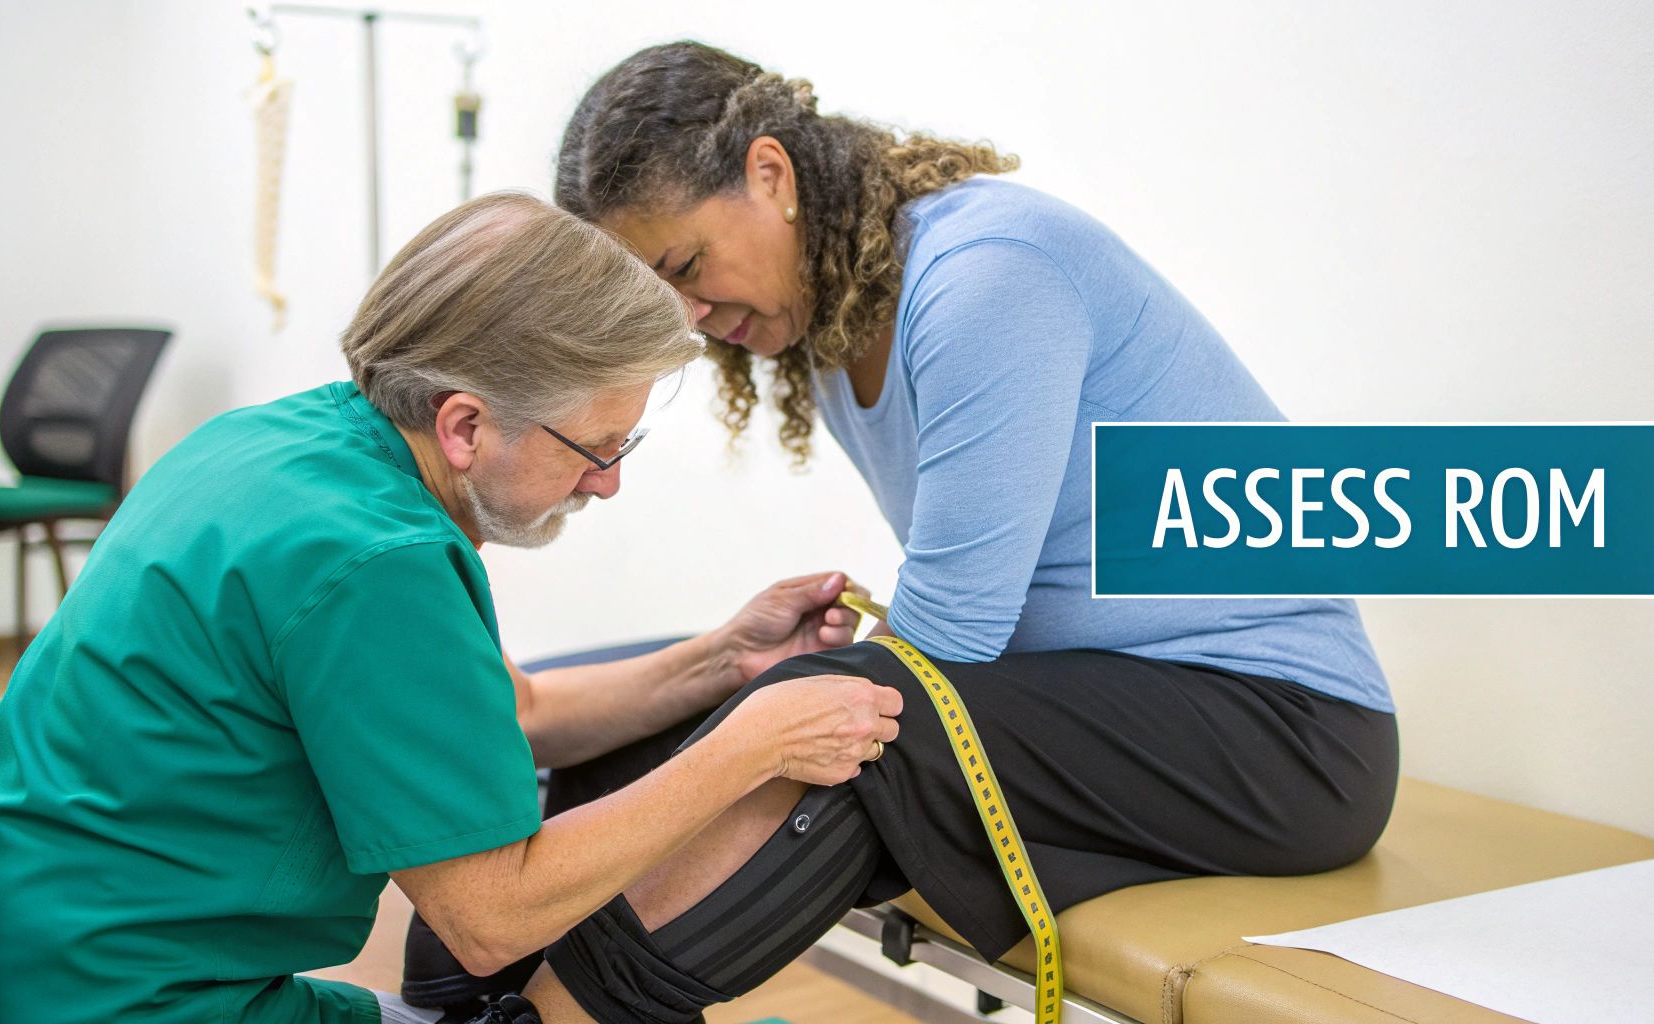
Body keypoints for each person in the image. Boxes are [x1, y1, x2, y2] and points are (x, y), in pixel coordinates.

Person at [397, 41, 1401, 1024]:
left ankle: (548, 1017)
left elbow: (950, 639)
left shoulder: (985, 274)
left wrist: (765, 717)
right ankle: (450, 1001)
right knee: (672, 694)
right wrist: (729, 681)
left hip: (1283, 738)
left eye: (689, 265)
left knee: (835, 718)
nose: (693, 315)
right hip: (1105, 713)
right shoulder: (839, 322)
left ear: (770, 173)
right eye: (665, 296)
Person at [0, 191, 901, 1024]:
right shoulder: (376, 561)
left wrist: (724, 662)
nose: (609, 481)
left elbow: (517, 713)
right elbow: (492, 917)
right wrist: (757, 744)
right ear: (465, 425)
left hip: (55, 952)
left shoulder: (275, 446)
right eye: (595, 446)